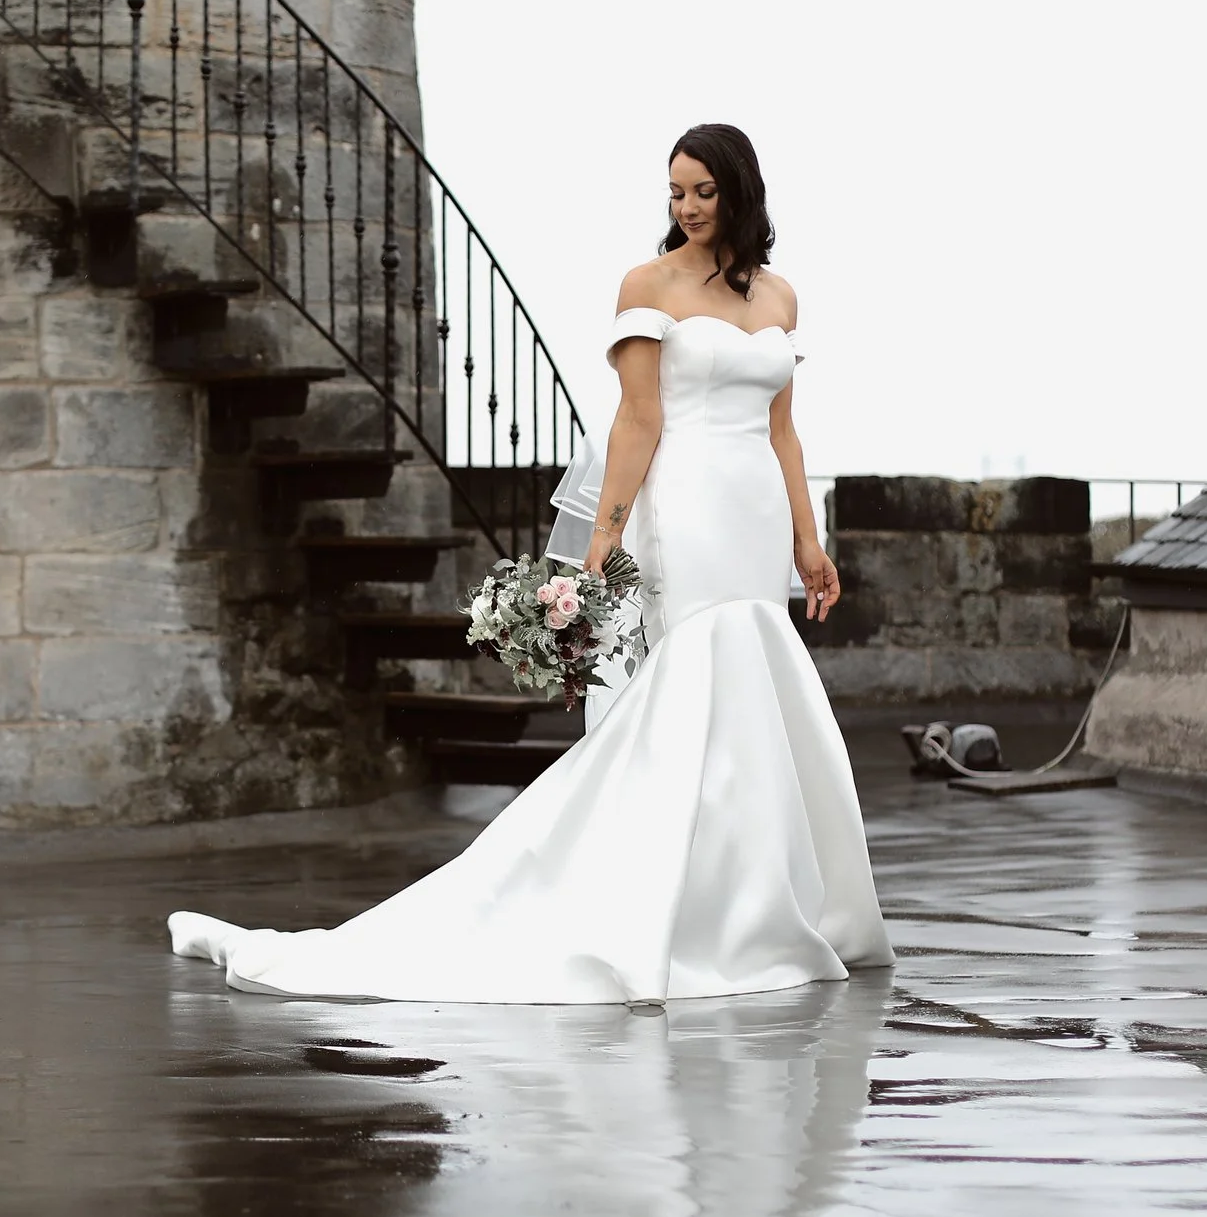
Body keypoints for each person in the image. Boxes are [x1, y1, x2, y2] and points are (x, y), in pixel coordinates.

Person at [169, 124, 894, 1004]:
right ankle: (681, 915)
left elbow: (782, 428)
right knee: (697, 681)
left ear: (741, 190)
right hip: (688, 506)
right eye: (676, 191)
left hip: (753, 510)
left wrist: (807, 539)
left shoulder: (781, 296)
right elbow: (637, 421)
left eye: (704, 190)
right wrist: (604, 542)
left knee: (758, 681)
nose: (688, 207)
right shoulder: (648, 284)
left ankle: (755, 905)